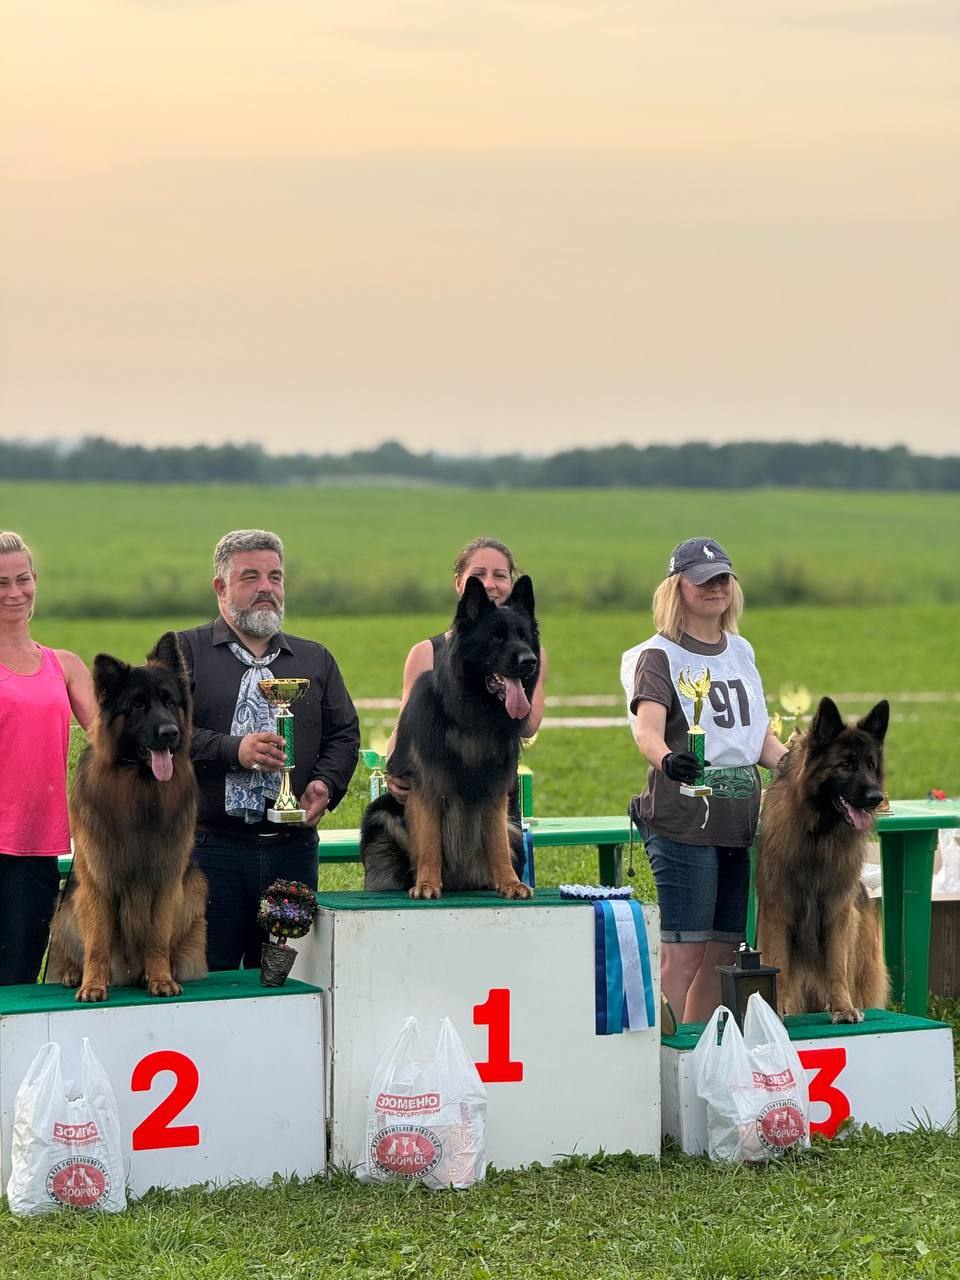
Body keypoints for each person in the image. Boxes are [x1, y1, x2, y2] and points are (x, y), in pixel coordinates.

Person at [620, 537, 787, 1024]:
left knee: (722, 952)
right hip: (683, 820)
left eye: (723, 579)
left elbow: (758, 739)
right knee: (685, 954)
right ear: (678, 589)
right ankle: (659, 1056)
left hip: (738, 822)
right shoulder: (660, 656)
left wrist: (799, 767)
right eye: (703, 580)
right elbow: (648, 731)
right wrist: (669, 758)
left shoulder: (742, 652)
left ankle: (698, 1053)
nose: (715, 588)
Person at [177, 529, 360, 971]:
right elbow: (161, 734)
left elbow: (345, 734)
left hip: (291, 852)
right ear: (220, 587)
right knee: (209, 981)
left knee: (287, 979)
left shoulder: (314, 660)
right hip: (209, 852)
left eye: (275, 577)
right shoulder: (185, 651)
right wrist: (231, 748)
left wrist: (324, 784)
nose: (267, 588)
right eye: (251, 577)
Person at [385, 536, 548, 807]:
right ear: (460, 583)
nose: (490, 584)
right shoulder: (426, 652)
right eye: (479, 574)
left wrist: (508, 682)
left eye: (500, 575)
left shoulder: (529, 653)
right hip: (436, 795)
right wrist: (395, 769)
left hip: (493, 796)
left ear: (510, 583)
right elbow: (404, 727)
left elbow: (528, 726)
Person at [0, 531, 96, 985]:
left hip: (36, 847)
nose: (14, 592)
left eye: (22, 579)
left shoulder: (65, 666)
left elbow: (112, 741)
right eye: (1, 582)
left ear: (35, 580)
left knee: (18, 981)